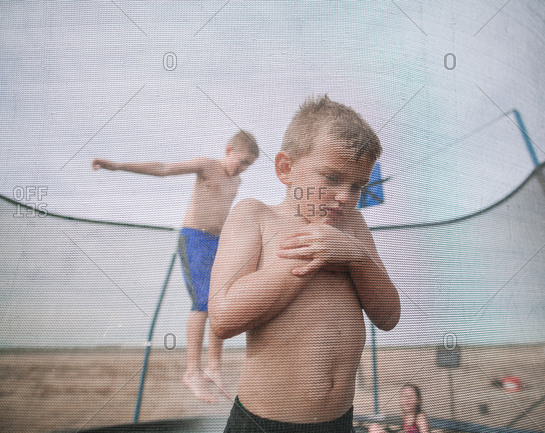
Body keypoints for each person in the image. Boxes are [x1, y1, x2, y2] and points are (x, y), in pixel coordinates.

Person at [209, 95, 401, 433]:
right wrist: (315, 251)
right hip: (264, 423)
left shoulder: (353, 227)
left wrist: (358, 258)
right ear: (286, 168)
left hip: (339, 422)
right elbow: (223, 318)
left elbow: (388, 316)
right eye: (331, 178)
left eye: (357, 185)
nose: (345, 196)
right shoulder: (256, 216)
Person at [91, 130, 258, 403]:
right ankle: (192, 371)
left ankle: (213, 366)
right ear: (228, 150)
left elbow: (223, 214)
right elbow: (164, 168)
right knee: (203, 302)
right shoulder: (207, 165)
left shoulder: (236, 181)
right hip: (194, 238)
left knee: (220, 303)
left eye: (248, 164)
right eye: (240, 161)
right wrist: (118, 165)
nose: (242, 168)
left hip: (217, 242)